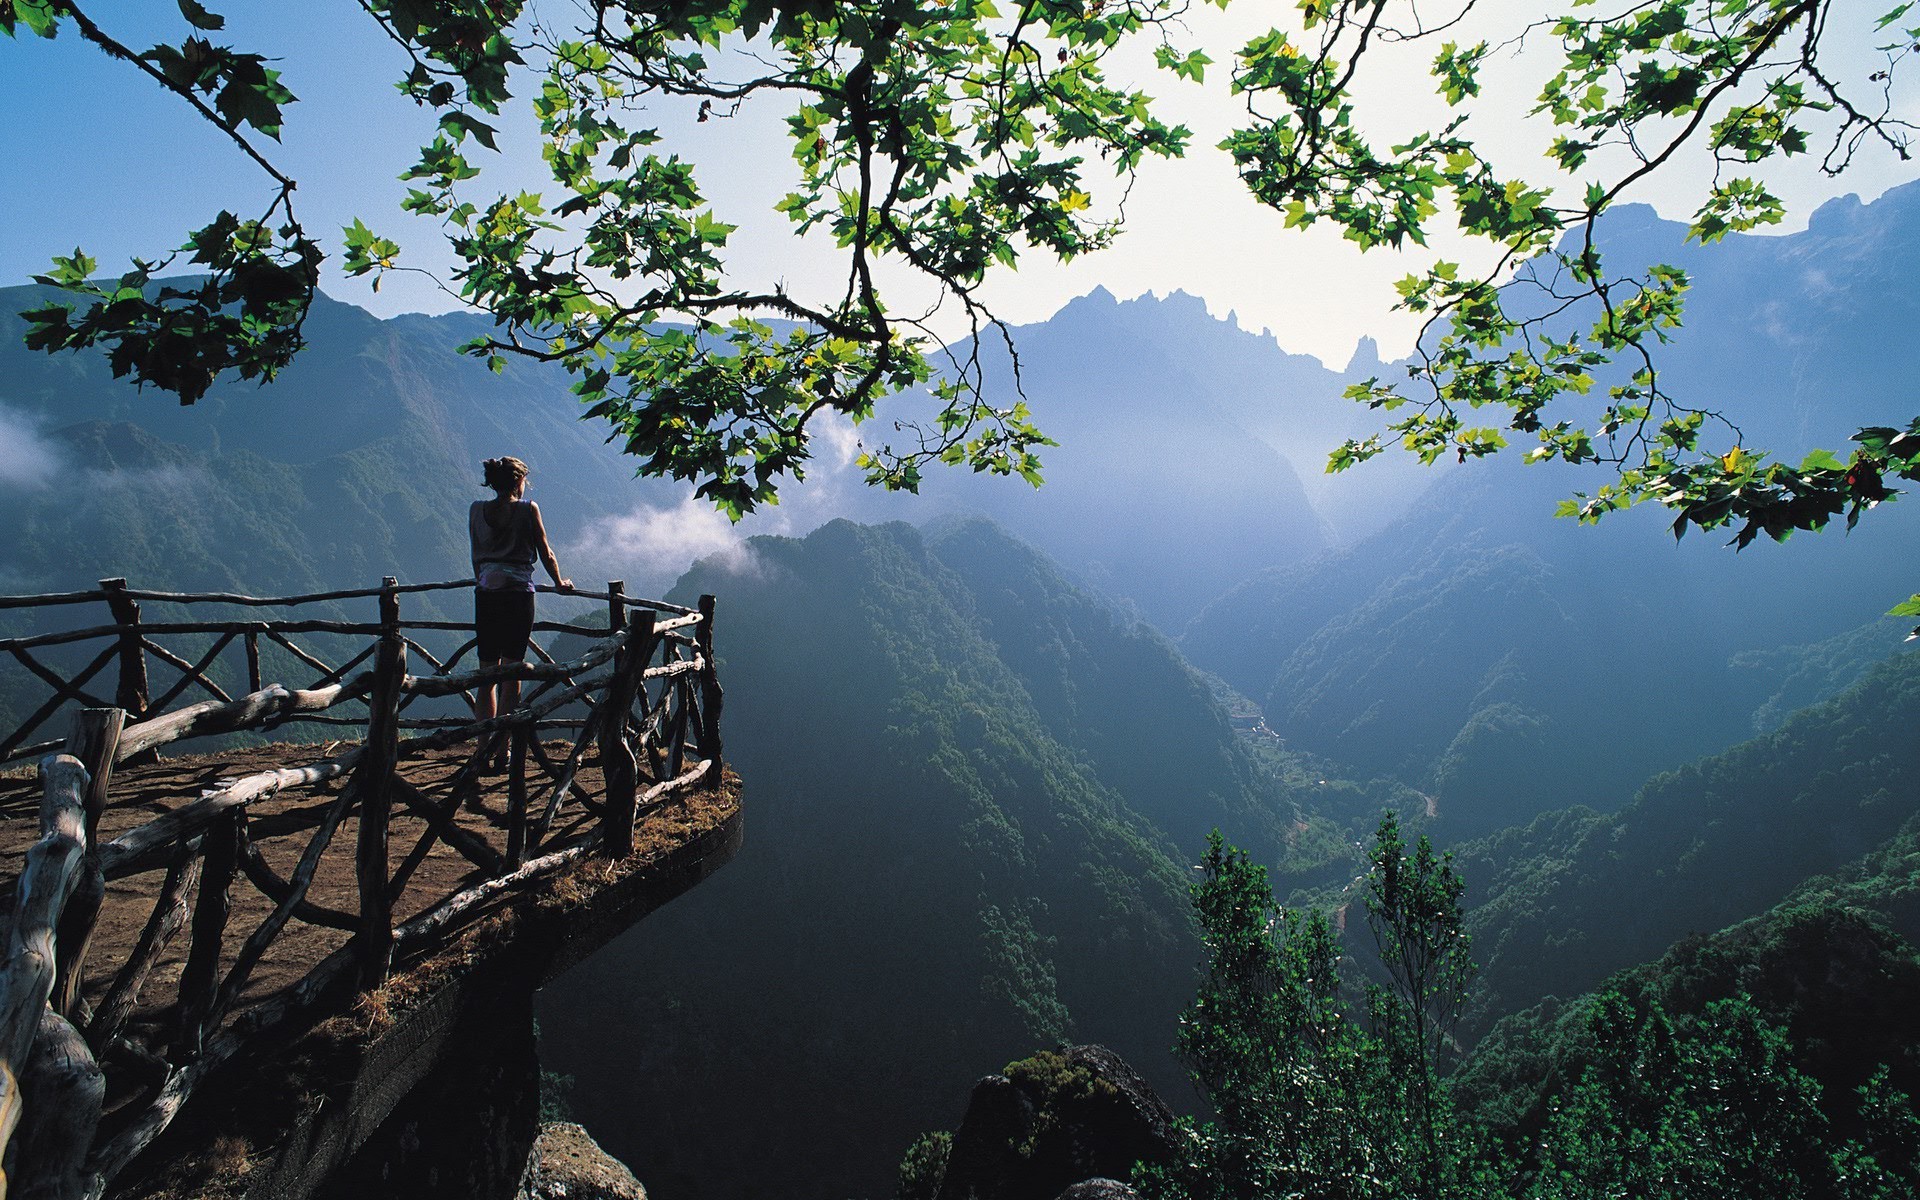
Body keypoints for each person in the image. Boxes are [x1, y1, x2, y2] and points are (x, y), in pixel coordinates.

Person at [470, 456, 571, 735]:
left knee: (486, 675)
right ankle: (503, 748)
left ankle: (483, 747)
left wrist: (484, 578)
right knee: (511, 673)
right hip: (517, 596)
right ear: (518, 481)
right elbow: (545, 552)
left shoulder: (476, 510)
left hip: (486, 593)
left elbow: (475, 555)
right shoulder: (528, 510)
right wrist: (559, 582)